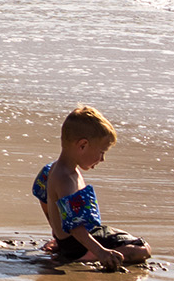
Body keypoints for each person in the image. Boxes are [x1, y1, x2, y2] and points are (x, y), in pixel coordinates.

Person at [34, 106, 152, 269]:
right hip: (77, 246)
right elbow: (75, 226)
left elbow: (42, 194)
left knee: (124, 236)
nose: (102, 159)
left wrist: (57, 233)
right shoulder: (66, 178)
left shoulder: (52, 169)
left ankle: (85, 250)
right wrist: (102, 252)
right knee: (142, 249)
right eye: (101, 152)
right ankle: (90, 255)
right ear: (83, 145)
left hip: (72, 241)